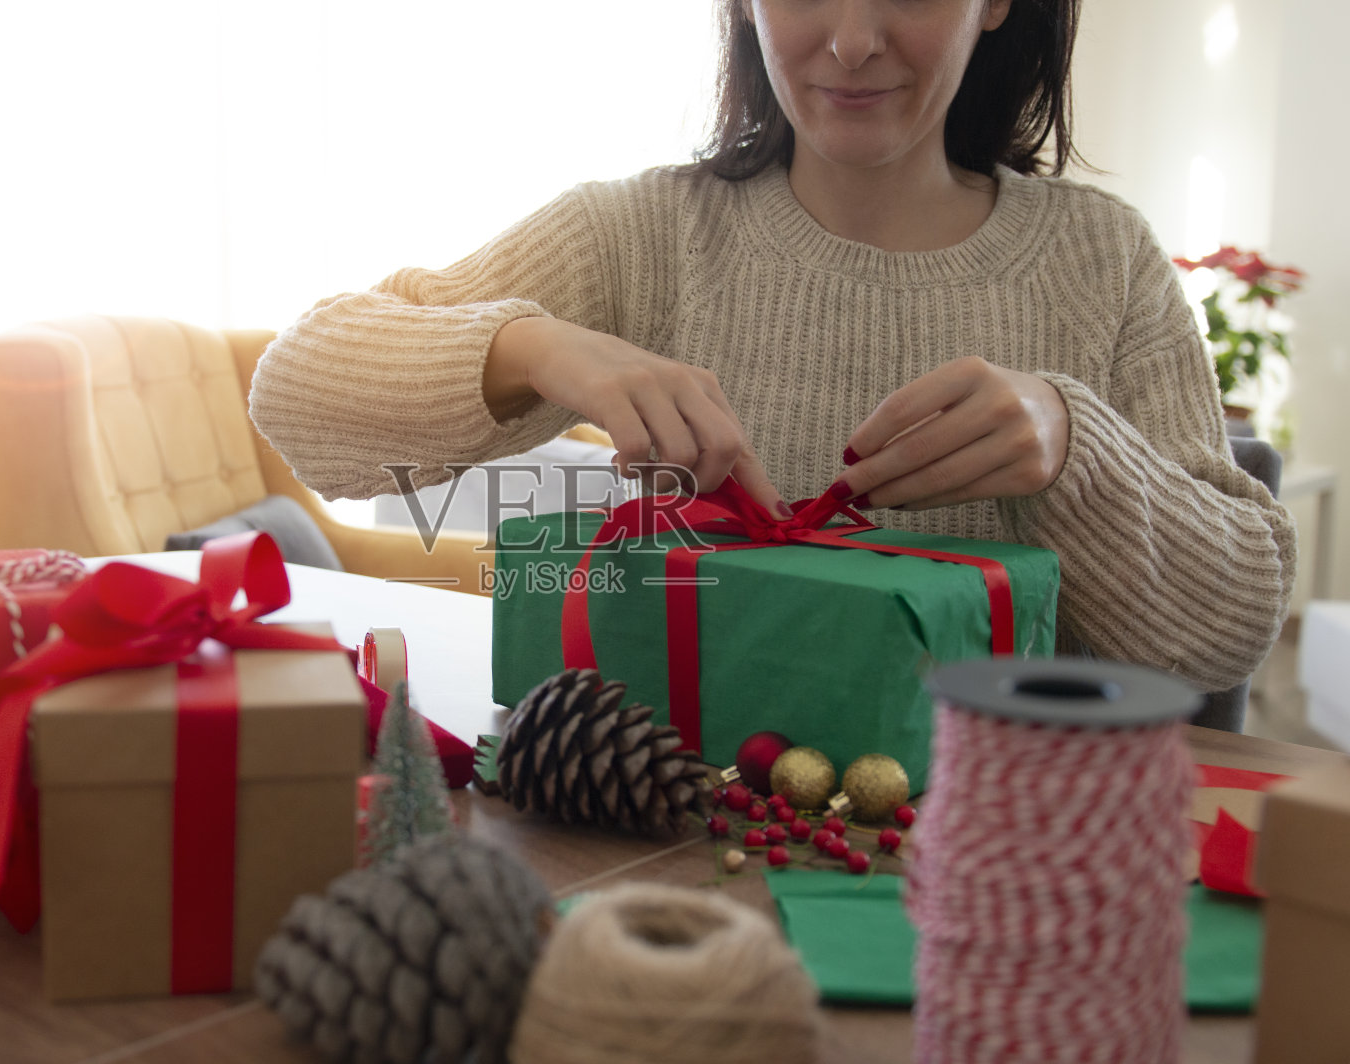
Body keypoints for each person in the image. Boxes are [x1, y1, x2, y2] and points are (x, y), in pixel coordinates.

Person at [250, 0, 1295, 694]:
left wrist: (1079, 446)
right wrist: (539, 347)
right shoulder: (637, 237)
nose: (849, 39)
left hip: (998, 887)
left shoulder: (1102, 261)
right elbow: (296, 395)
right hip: (678, 869)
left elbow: (1230, 630)